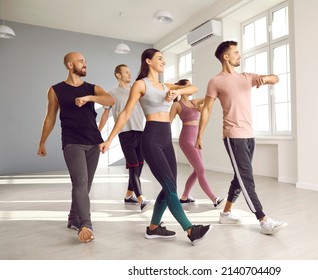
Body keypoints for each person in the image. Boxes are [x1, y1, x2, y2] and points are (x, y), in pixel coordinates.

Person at [100, 48, 212, 245]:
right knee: (169, 186)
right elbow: (125, 113)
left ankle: (153, 228)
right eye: (160, 58)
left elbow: (193, 88)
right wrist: (109, 139)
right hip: (151, 138)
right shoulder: (140, 85)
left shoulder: (163, 85)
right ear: (148, 61)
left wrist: (176, 91)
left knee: (170, 186)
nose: (164, 62)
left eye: (164, 59)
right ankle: (190, 229)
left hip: (166, 139)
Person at [195, 41, 288, 235]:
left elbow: (275, 78)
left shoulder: (246, 77)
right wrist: (199, 135)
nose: (239, 55)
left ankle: (226, 213)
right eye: (236, 53)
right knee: (247, 178)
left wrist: (267, 79)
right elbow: (207, 109)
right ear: (226, 57)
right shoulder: (216, 81)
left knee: (240, 176)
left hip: (249, 135)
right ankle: (263, 219)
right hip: (233, 135)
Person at [37, 52, 115, 243]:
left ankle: (73, 217)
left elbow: (110, 101)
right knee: (80, 183)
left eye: (85, 61)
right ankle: (86, 224)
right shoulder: (55, 90)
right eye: (81, 61)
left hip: (93, 142)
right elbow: (50, 117)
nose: (85, 64)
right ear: (70, 65)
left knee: (85, 186)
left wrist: (89, 98)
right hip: (72, 142)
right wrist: (42, 142)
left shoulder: (93, 88)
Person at [98, 64, 153, 212]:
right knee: (134, 165)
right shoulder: (111, 93)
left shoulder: (137, 90)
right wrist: (98, 133)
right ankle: (141, 199)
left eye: (130, 72)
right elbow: (104, 114)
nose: (130, 74)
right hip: (125, 133)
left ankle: (129, 196)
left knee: (140, 165)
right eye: (126, 72)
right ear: (118, 75)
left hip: (140, 131)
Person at [169, 79, 225, 208]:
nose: (191, 88)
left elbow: (211, 99)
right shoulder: (176, 105)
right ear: (182, 88)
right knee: (201, 169)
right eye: (188, 85)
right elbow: (168, 123)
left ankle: (184, 197)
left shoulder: (193, 102)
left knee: (196, 170)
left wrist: (201, 107)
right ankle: (214, 198)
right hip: (186, 140)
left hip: (196, 139)